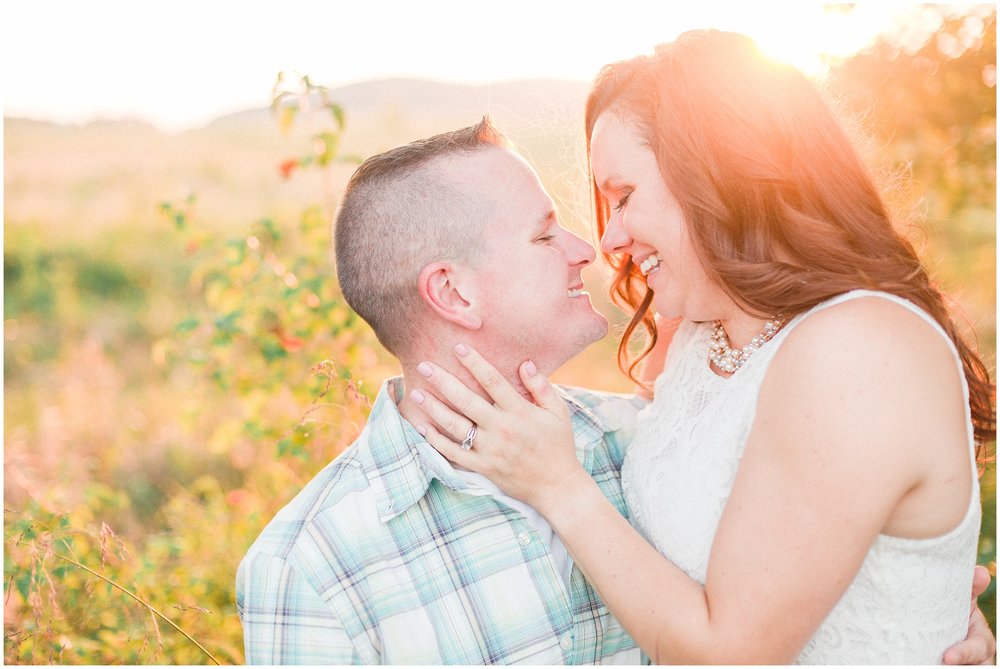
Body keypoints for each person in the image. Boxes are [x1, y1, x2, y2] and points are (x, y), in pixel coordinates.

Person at [413, 31, 997, 664]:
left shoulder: (859, 350)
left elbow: (731, 654)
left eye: (626, 196)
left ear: (724, 173)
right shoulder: (699, 332)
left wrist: (557, 485)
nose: (609, 238)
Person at [236, 119, 648, 664]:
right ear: (453, 292)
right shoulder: (310, 565)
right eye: (545, 234)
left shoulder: (640, 441)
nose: (584, 250)